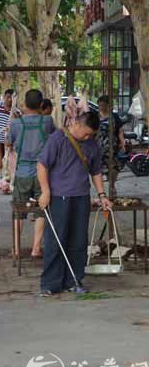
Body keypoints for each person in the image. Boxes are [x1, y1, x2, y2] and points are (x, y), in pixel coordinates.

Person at [38, 111, 111, 296]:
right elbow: (42, 165)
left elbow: (95, 171)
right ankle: (51, 283)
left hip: (81, 196)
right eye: (86, 133)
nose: (87, 137)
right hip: (59, 197)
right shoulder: (57, 139)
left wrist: (102, 194)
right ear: (76, 124)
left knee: (78, 240)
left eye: (90, 135)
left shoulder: (92, 145)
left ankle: (74, 279)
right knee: (56, 240)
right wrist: (45, 192)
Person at [7, 89, 56, 259]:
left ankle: (16, 248)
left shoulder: (16, 123)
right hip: (43, 174)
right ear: (42, 105)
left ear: (25, 104)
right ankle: (36, 248)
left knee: (18, 211)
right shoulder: (48, 121)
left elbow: (9, 143)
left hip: (22, 172)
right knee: (42, 210)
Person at [97, 95, 126, 174]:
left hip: (113, 145)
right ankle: (101, 184)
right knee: (99, 167)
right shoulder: (96, 116)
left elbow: (120, 130)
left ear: (108, 105)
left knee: (114, 167)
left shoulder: (114, 116)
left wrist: (123, 142)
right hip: (99, 145)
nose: (101, 107)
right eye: (99, 105)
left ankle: (112, 184)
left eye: (103, 105)